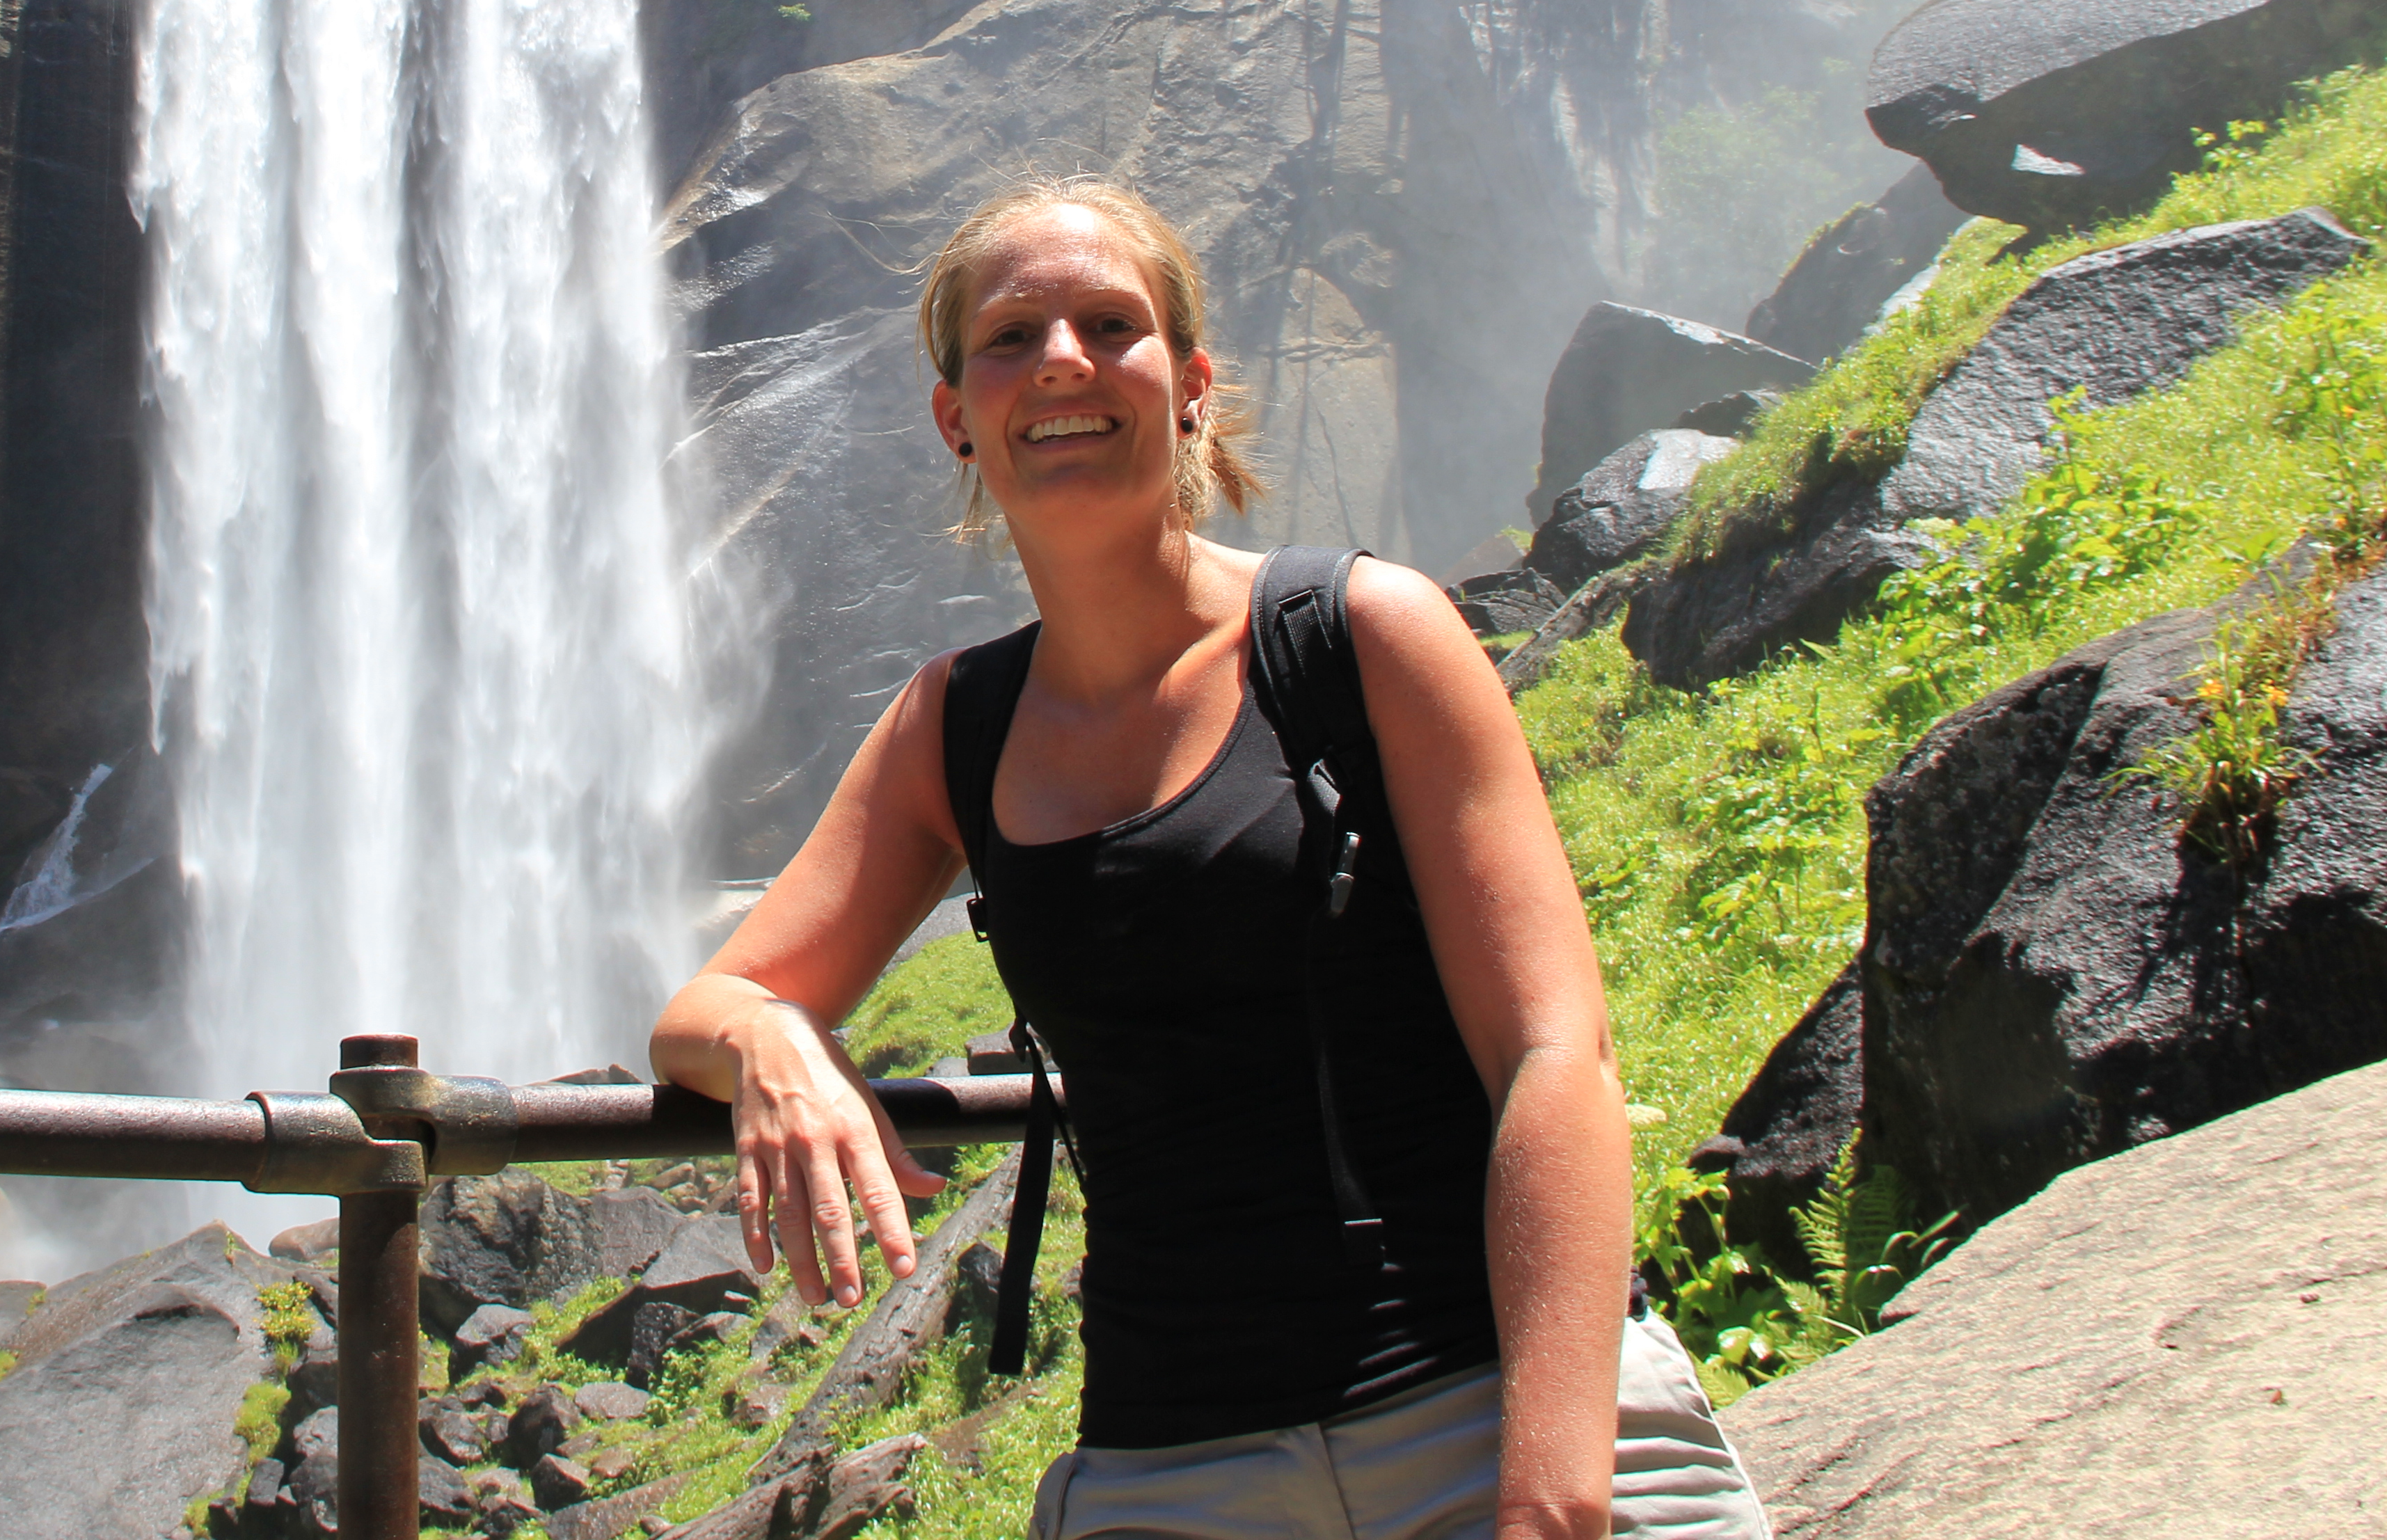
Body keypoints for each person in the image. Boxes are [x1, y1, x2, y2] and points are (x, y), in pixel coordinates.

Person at [650, 177, 1770, 1540]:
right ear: (956, 417)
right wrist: (775, 1048)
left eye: (1108, 324)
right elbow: (707, 1008)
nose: (1061, 359)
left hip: (1485, 1407)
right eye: (1010, 337)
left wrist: (1548, 1491)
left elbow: (1556, 1056)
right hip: (1173, 1467)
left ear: (1187, 383)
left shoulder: (1363, 635)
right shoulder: (957, 726)